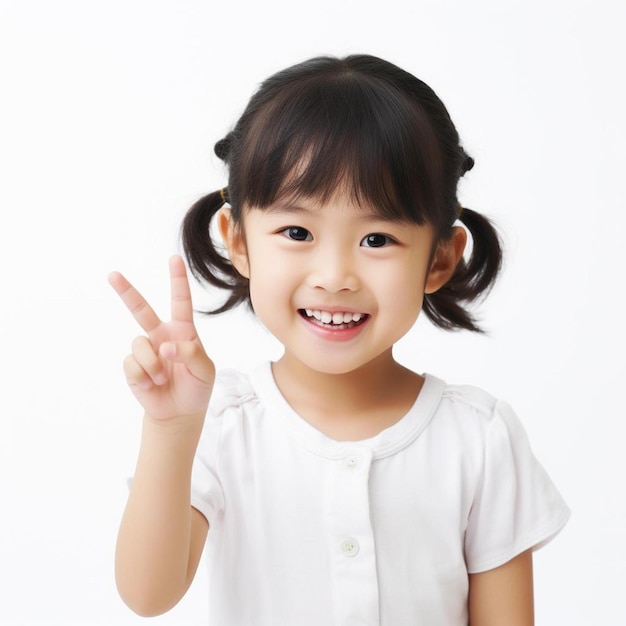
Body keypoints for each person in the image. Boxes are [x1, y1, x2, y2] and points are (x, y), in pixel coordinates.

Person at [109, 54, 569, 625]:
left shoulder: (479, 438)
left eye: (377, 238)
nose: (334, 275)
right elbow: (146, 595)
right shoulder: (222, 424)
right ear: (239, 241)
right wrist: (171, 431)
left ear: (441, 257)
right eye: (297, 231)